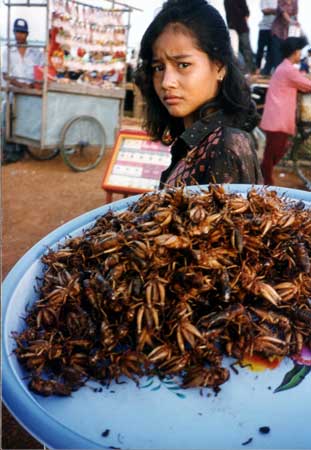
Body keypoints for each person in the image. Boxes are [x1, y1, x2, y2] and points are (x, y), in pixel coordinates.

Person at [134, 0, 263, 187]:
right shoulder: (193, 142)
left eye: (183, 65)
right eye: (159, 67)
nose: (166, 82)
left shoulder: (226, 146)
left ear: (219, 67)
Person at [260, 36, 311, 185]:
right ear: (295, 52)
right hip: (278, 119)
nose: (300, 55)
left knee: (276, 151)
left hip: (277, 118)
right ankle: (266, 183)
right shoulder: (288, 70)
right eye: (299, 52)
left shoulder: (283, 68)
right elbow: (308, 84)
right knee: (272, 154)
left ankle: (264, 179)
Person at [1, 18, 44, 164]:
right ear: (13, 33)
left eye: (22, 32)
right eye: (17, 32)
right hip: (15, 92)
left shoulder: (35, 52)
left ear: (27, 34)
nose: (19, 35)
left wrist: (32, 86)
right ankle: (10, 152)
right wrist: (20, 85)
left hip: (31, 94)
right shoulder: (8, 51)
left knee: (27, 120)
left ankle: (22, 149)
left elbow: (41, 70)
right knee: (8, 119)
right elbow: (5, 74)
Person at [223, 0, 255, 74]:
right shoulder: (226, 1)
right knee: (236, 50)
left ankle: (249, 69)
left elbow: (246, 13)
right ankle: (242, 70)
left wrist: (245, 24)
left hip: (242, 27)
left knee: (246, 48)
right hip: (232, 28)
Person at [270, 0, 299, 71]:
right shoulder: (280, 1)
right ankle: (278, 72)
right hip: (278, 30)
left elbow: (295, 12)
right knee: (277, 54)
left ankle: (285, 72)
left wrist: (295, 23)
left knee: (287, 53)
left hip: (288, 31)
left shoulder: (295, 1)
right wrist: (292, 21)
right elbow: (284, 13)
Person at [256, 0, 277, 76]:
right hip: (264, 28)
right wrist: (275, 10)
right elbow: (264, 10)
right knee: (260, 50)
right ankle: (257, 68)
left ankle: (266, 71)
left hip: (275, 29)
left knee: (271, 51)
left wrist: (271, 10)